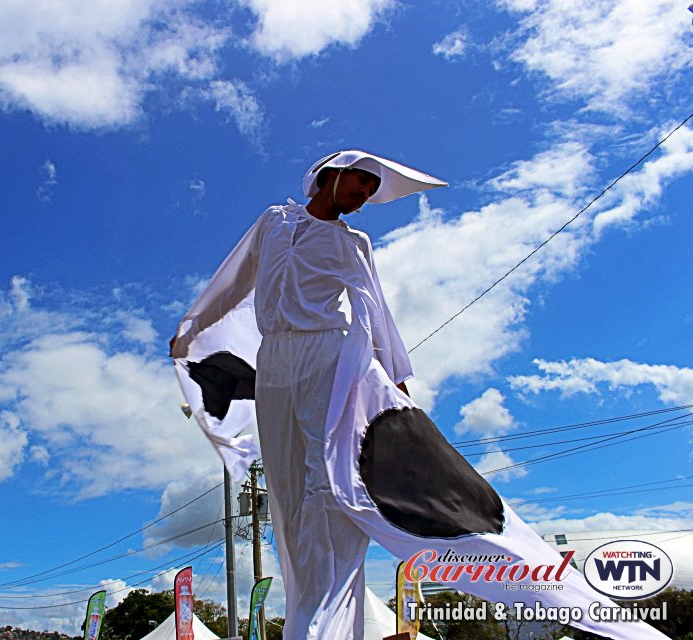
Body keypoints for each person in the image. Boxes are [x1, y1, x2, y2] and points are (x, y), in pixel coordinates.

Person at [170, 150, 669, 640]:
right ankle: (314, 615)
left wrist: (397, 384)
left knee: (329, 485)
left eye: (370, 193)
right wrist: (193, 330)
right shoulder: (274, 222)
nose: (364, 198)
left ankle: (323, 624)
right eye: (361, 186)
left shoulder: (353, 243)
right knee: (288, 495)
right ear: (335, 174)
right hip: (275, 362)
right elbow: (235, 279)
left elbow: (377, 309)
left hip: (327, 354)